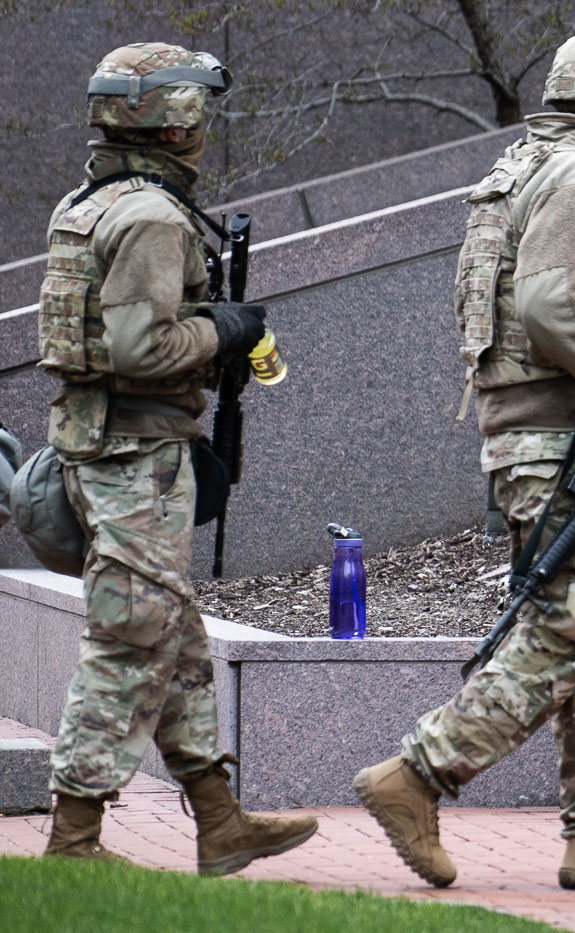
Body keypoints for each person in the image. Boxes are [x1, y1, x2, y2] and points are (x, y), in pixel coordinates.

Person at [354, 29, 575, 892]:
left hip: (542, 431)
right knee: (572, 622)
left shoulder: (528, 165)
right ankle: (420, 772)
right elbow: (551, 305)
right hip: (566, 431)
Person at [38, 43, 317, 873]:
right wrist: (226, 330)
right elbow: (138, 344)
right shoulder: (153, 218)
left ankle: (219, 818)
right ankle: (74, 839)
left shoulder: (90, 202)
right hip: (135, 454)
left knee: (177, 640)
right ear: (177, 122)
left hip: (104, 444)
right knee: (130, 639)